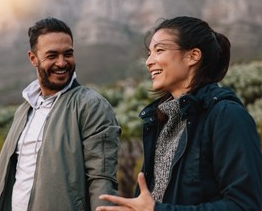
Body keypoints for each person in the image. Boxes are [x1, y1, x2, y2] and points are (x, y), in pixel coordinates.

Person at [96, 16, 262, 211]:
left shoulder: (227, 116)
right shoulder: (161, 120)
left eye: (159, 50)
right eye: (149, 53)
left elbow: (246, 205)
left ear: (193, 56)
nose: (149, 62)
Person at [0, 17, 121, 211]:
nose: (62, 62)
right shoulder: (24, 110)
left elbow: (102, 180)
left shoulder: (91, 105)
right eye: (52, 55)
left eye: (68, 54)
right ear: (33, 58)